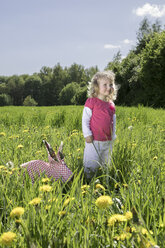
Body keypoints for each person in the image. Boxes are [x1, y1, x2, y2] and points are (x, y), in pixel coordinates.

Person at [82, 70, 118, 180]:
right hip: (94, 140)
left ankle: (104, 179)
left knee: (106, 161)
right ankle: (88, 180)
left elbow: (113, 121)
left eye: (111, 84)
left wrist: (114, 135)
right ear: (96, 87)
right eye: (105, 85)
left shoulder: (111, 104)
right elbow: (85, 119)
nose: (109, 87)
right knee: (91, 161)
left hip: (108, 140)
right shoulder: (91, 102)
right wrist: (87, 134)